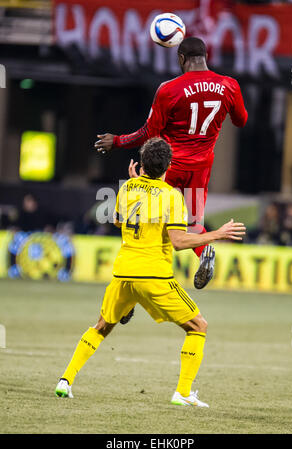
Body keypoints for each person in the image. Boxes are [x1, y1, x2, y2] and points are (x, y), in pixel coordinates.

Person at [56, 138, 246, 406]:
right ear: (168, 165)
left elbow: (119, 220)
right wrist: (217, 234)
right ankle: (182, 392)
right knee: (197, 326)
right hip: (154, 275)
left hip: (123, 274)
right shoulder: (172, 196)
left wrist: (136, 185)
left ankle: (65, 380)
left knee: (101, 326)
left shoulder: (126, 188)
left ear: (142, 164)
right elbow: (179, 241)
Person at [95, 36, 248, 291]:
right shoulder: (229, 85)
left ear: (181, 59)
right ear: (206, 57)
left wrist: (119, 141)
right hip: (202, 166)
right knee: (192, 225)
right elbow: (241, 120)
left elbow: (150, 133)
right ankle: (203, 251)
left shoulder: (169, 89)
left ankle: (129, 284)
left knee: (145, 223)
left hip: (168, 166)